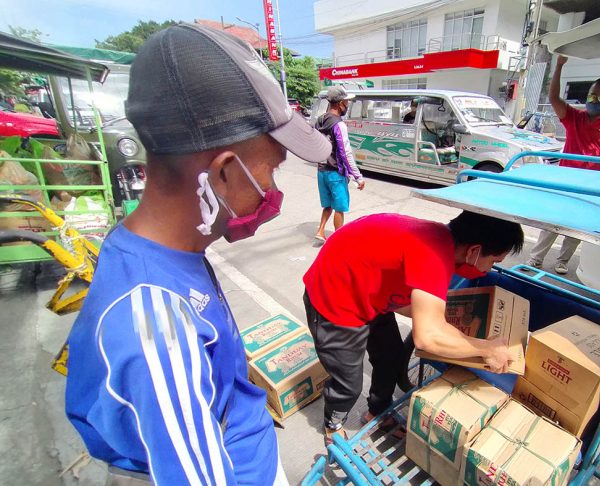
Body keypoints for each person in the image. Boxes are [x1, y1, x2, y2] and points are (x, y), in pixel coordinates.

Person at [64, 24, 331, 485]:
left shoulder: (160, 245)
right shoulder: (158, 329)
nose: (273, 191)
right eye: (271, 171)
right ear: (222, 173)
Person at [303, 211, 523, 444]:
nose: (489, 269)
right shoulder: (434, 256)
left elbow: (415, 309)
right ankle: (333, 424)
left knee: (391, 357)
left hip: (371, 293)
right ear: (474, 251)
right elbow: (427, 339)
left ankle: (377, 411)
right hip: (335, 300)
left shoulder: (442, 241)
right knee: (348, 384)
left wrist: (452, 331)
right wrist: (486, 349)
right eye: (494, 261)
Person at [528, 55, 600, 275]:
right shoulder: (575, 117)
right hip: (566, 179)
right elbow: (553, 97)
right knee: (552, 220)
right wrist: (559, 66)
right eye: (592, 94)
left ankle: (562, 261)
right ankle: (536, 258)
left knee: (575, 225)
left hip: (591, 184)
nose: (595, 99)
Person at [314, 86, 365, 243]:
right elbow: (346, 152)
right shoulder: (339, 125)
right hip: (335, 173)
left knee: (327, 205)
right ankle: (338, 241)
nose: (348, 105)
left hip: (321, 171)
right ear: (340, 103)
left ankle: (320, 231)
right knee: (339, 208)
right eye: (347, 102)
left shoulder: (320, 120)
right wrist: (358, 176)